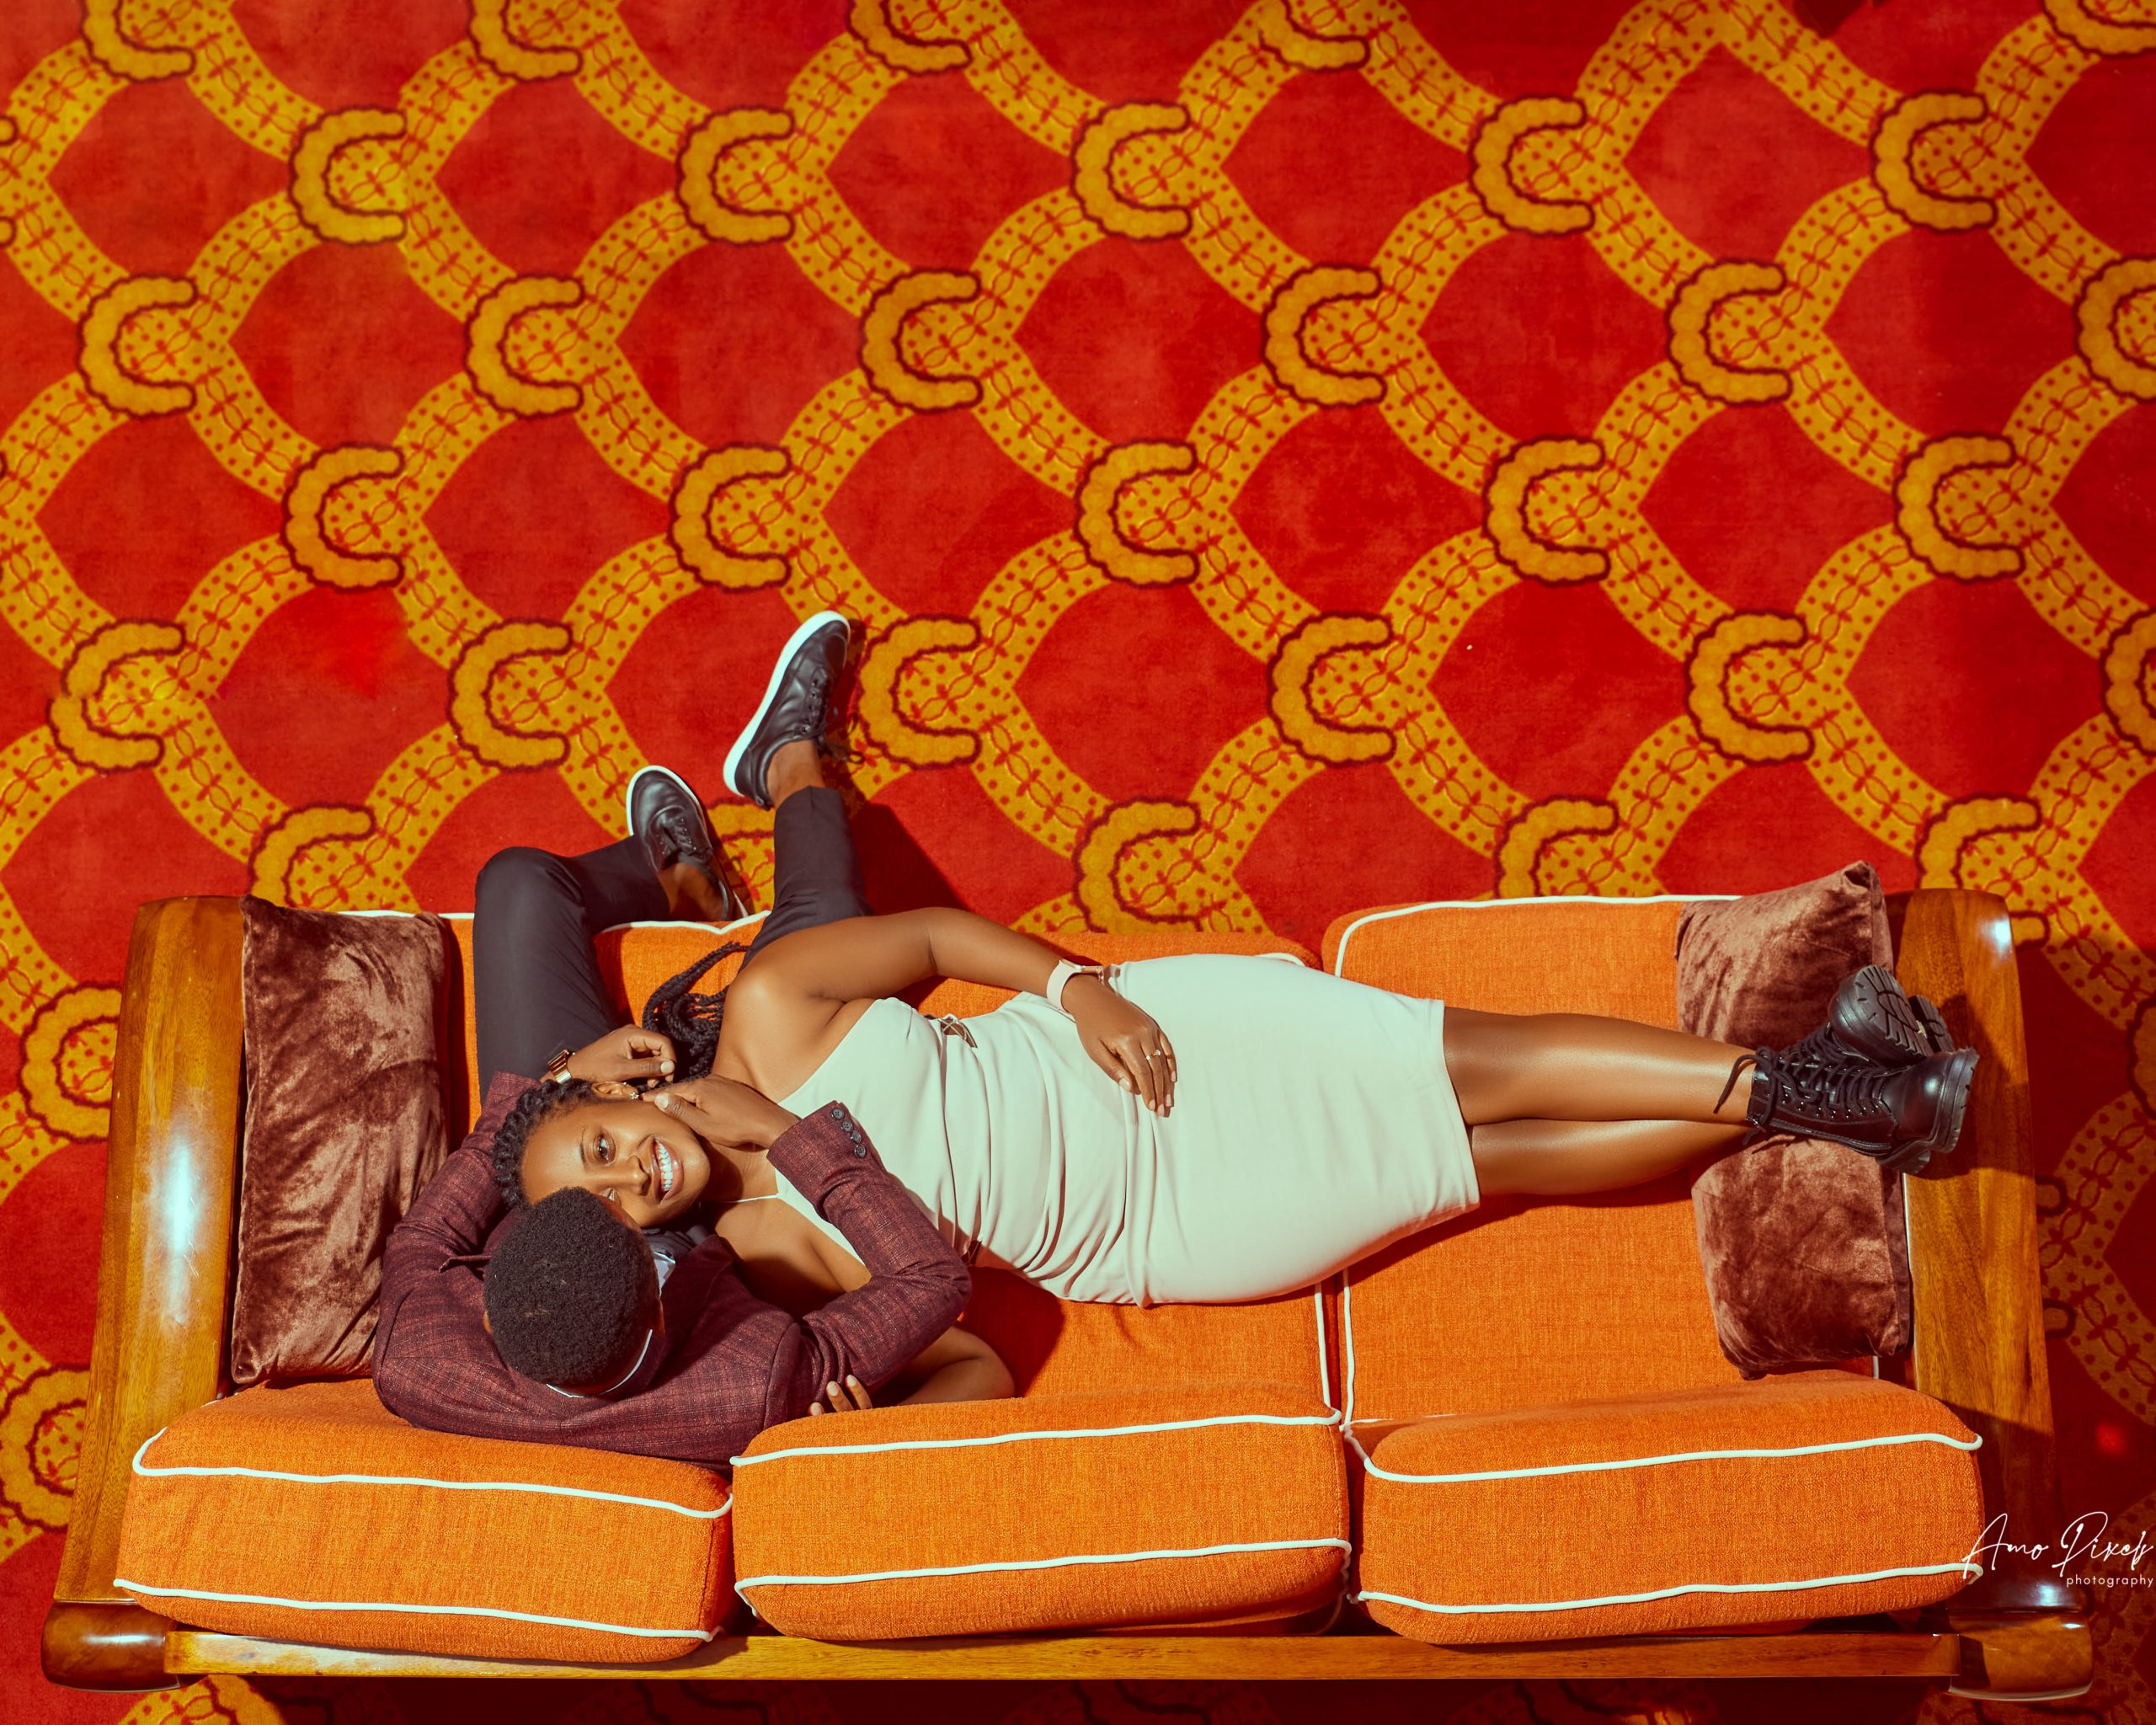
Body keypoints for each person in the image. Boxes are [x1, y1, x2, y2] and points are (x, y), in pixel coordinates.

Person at [476, 613, 1978, 1425]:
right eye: (608, 1204)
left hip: (1148, 1052)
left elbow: (931, 938)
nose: (629, 1175)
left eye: (601, 1143)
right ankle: (1844, 1093)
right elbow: (978, 1367)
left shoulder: (773, 1008)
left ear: (622, 1094)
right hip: (1173, 1226)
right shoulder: (763, 1269)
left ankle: (1838, 1095)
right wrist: (873, 1419)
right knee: (1486, 1162)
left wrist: (1077, 985)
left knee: (1487, 1056)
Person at [372, 613, 998, 1467]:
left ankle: (683, 885)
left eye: (595, 1194)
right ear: (661, 1311)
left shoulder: (418, 1359)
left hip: (561, 1152)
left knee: (519, 882)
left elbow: (422, 1243)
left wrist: (563, 1077)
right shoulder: (752, 1380)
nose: (630, 1188)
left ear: (487, 1313)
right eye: (626, 1224)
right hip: (735, 1210)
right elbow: (949, 1322)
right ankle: (789, 762)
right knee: (817, 945)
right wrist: (850, 1440)